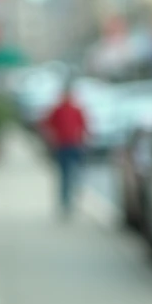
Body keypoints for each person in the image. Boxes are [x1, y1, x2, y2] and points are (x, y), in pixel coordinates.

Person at [43, 85, 88, 216]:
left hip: (74, 145)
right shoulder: (57, 110)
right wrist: (52, 139)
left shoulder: (76, 109)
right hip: (62, 146)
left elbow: (84, 126)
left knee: (75, 173)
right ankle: (65, 201)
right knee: (64, 175)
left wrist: (83, 140)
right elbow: (47, 125)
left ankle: (73, 197)